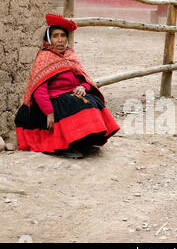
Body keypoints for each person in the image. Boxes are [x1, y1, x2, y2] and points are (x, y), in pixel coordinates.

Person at [15, 14, 120, 159]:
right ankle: (65, 146)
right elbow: (39, 90)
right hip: (48, 103)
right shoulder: (45, 57)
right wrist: (49, 112)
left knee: (91, 102)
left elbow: (84, 80)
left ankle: (82, 142)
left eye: (62, 36)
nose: (59, 40)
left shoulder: (70, 55)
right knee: (74, 106)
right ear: (49, 39)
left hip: (69, 96)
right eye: (55, 36)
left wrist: (83, 87)